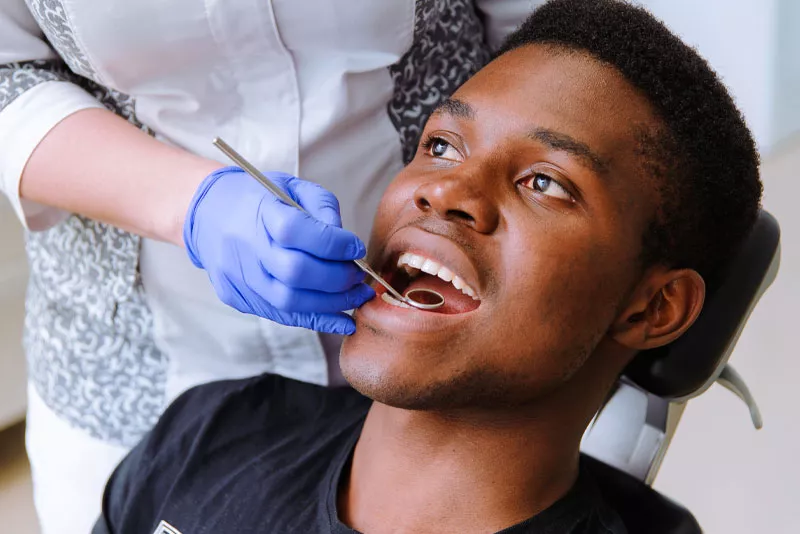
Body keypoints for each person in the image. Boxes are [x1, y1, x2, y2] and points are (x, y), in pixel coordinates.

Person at [91, 1, 763, 532]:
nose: (443, 191)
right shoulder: (211, 434)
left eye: (545, 182)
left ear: (653, 308)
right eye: (440, 145)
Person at [0, 1, 538, 531]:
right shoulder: (166, 458)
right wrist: (194, 205)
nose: (443, 197)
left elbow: (559, 45)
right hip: (139, 371)